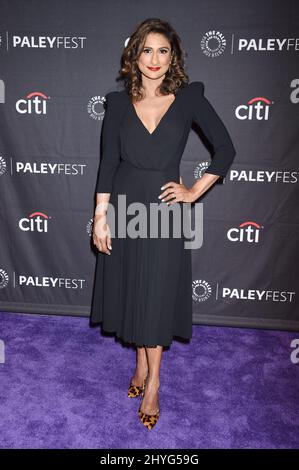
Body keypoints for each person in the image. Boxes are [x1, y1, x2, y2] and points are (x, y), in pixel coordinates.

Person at [90, 18, 236, 430]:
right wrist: (101, 217)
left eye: (163, 51)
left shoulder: (189, 98)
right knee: (135, 288)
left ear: (173, 57)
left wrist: (193, 191)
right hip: (125, 207)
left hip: (165, 213)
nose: (154, 59)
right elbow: (107, 166)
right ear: (133, 56)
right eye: (146, 50)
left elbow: (225, 149)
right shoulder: (117, 105)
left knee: (154, 296)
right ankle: (140, 364)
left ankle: (154, 382)